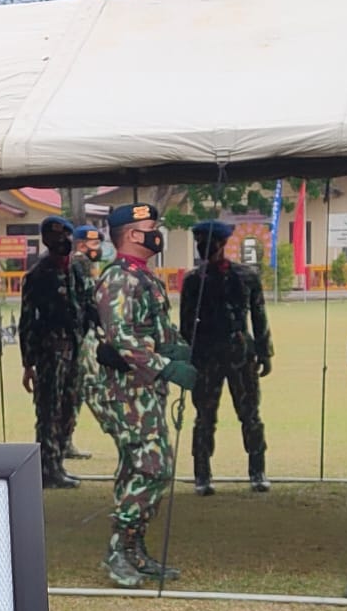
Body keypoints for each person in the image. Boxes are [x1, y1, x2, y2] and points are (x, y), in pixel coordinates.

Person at [84, 202, 194, 588]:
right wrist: (167, 366)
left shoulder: (143, 276)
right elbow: (121, 337)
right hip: (123, 389)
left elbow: (156, 330)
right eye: (152, 226)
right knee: (152, 466)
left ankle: (134, 550)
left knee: (139, 467)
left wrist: (180, 351)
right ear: (132, 234)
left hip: (144, 389)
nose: (157, 232)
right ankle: (118, 551)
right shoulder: (119, 280)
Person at [180, 219, 271, 495]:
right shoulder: (194, 280)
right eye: (199, 243)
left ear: (222, 243)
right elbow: (186, 324)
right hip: (207, 357)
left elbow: (258, 316)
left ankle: (258, 471)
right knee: (204, 416)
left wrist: (264, 352)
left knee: (250, 415)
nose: (204, 247)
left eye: (208, 242)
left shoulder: (246, 276)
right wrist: (187, 359)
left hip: (240, 355)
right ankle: (202, 474)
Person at [19, 216, 91, 488]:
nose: (63, 242)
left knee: (70, 406)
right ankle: (48, 469)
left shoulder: (76, 270)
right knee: (48, 410)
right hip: (50, 352)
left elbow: (87, 304)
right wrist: (28, 364)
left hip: (75, 348)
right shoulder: (38, 275)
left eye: (65, 237)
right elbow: (26, 320)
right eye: (56, 238)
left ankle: (59, 461)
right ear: (46, 241)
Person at [64, 225, 103, 461]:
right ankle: (120, 430)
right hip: (82, 336)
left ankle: (66, 440)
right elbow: (90, 300)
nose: (98, 249)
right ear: (81, 245)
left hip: (81, 334)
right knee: (89, 384)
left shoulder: (80, 265)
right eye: (94, 244)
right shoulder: (80, 264)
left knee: (76, 391)